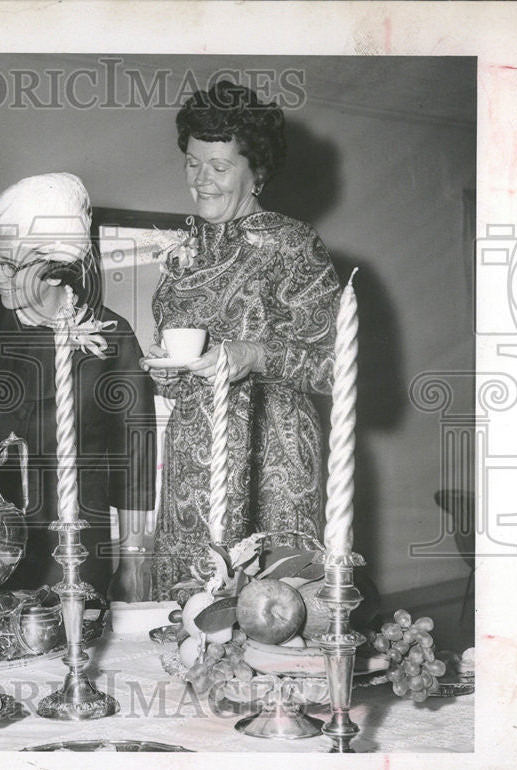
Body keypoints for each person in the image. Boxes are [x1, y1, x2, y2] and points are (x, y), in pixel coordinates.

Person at [144, 80, 340, 600]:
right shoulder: (182, 252)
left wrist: (253, 354)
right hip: (190, 463)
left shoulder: (293, 245)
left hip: (270, 462)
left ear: (257, 173)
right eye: (192, 162)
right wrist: (168, 372)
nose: (200, 180)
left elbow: (337, 366)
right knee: (188, 619)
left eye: (219, 167)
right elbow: (180, 374)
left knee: (270, 616)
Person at [0, 173, 156, 603]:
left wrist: (135, 562)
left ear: (54, 271)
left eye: (9, 265)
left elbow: (136, 466)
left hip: (76, 547)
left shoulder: (110, 339)